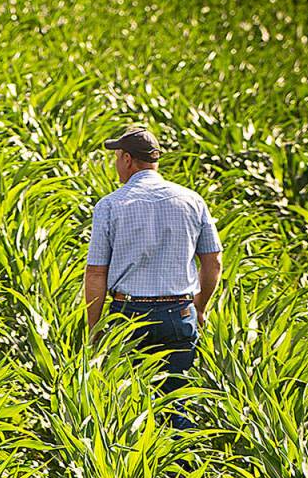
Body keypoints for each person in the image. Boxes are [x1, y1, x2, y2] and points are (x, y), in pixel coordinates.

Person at [84, 127, 223, 429]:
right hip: (178, 313)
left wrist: (95, 328)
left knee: (129, 404)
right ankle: (185, 467)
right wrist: (199, 307)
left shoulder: (109, 205)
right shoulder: (192, 200)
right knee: (175, 401)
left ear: (128, 160)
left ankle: (136, 468)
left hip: (128, 316)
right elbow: (213, 262)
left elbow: (96, 274)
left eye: (117, 158)